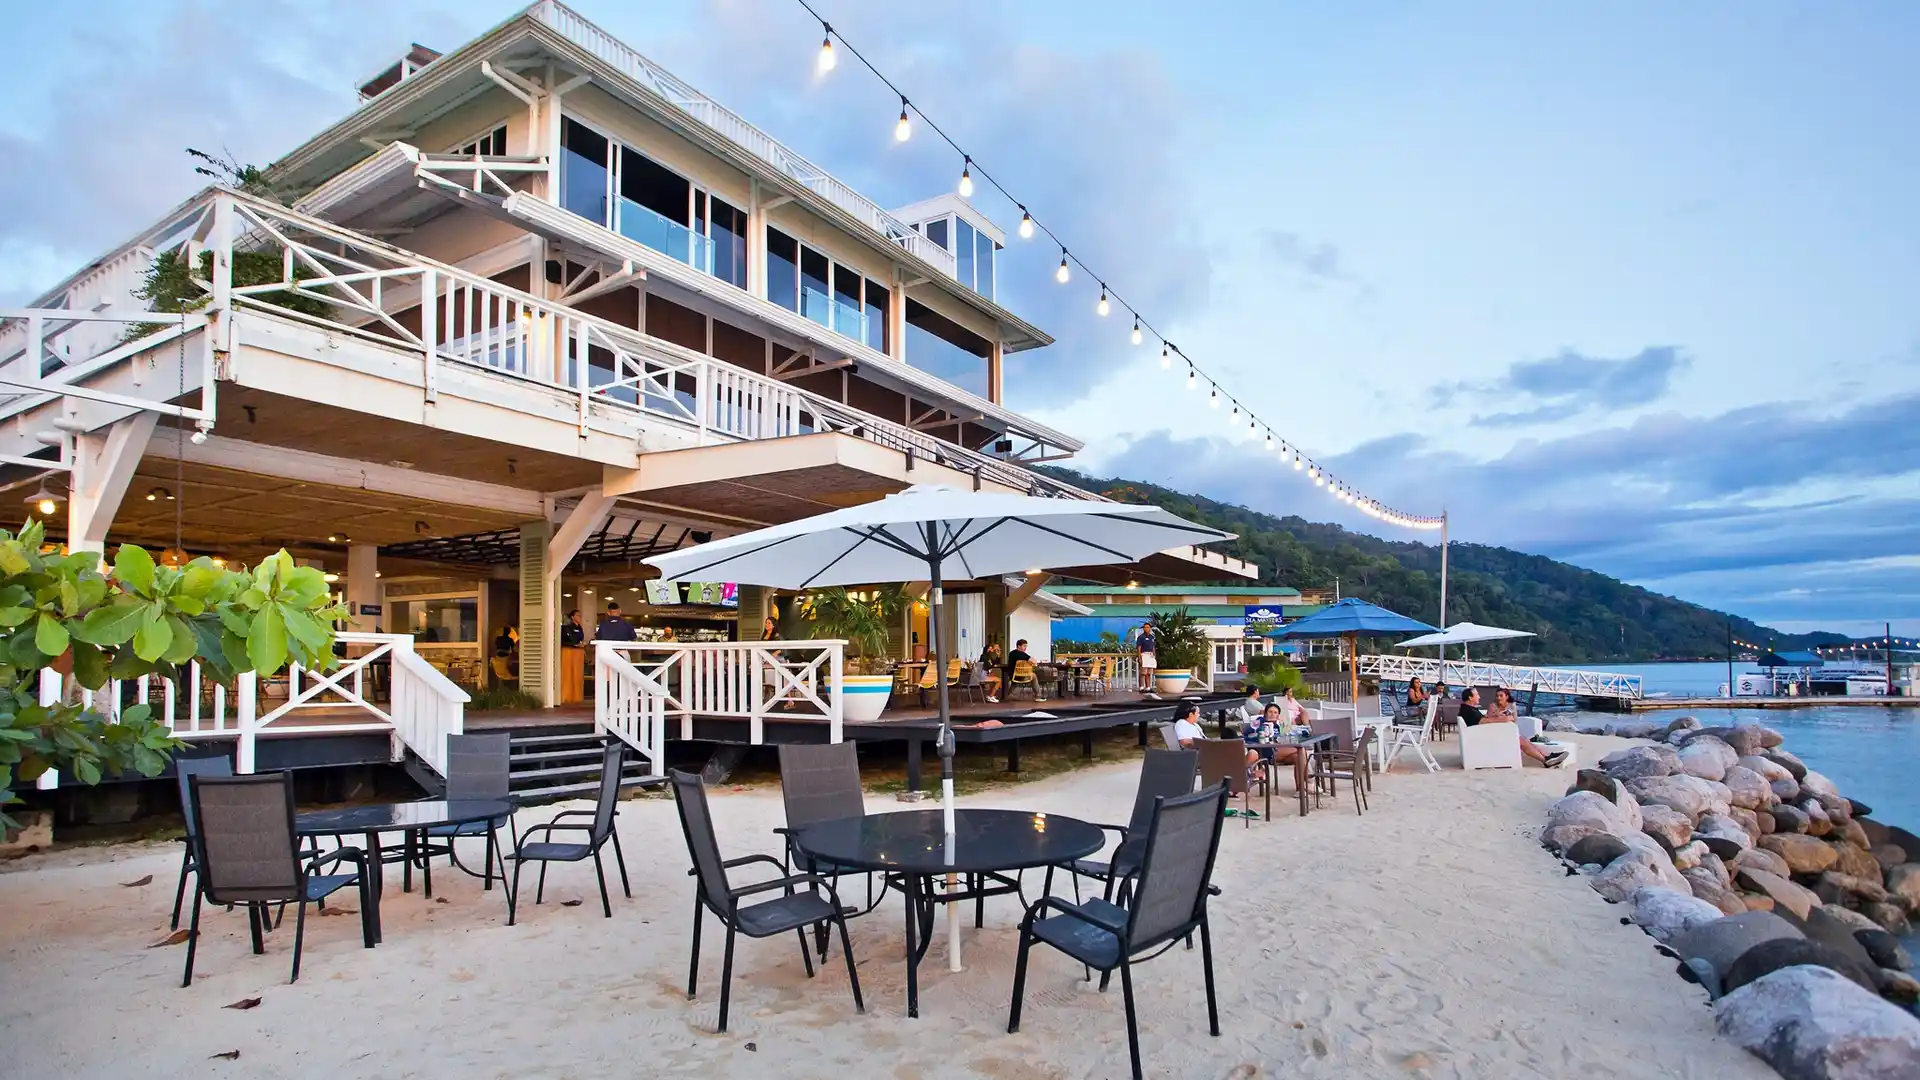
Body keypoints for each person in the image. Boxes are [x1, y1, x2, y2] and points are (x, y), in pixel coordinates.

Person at [1476, 686, 1565, 767]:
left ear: (1506, 697)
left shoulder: (1511, 705)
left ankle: (1547, 757)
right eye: (1497, 696)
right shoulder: (1493, 706)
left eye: (1501, 695)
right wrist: (1500, 716)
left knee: (1526, 740)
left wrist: (1505, 717)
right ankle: (1546, 759)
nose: (1498, 698)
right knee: (1523, 741)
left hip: (1509, 730)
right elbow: (1489, 720)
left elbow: (1514, 719)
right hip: (1498, 732)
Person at [1136, 626, 1158, 693]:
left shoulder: (1152, 637)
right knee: (1143, 673)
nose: (1146, 628)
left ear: (1150, 628)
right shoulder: (1141, 637)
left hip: (1150, 655)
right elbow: (1139, 648)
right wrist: (1139, 658)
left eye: (1148, 627)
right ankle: (1141, 687)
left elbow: (1153, 646)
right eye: (1145, 627)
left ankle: (1148, 687)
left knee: (1148, 673)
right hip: (1144, 655)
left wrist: (1154, 654)